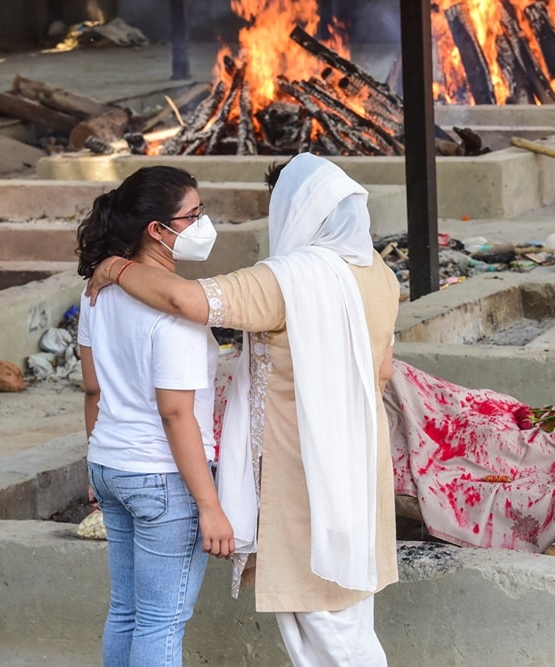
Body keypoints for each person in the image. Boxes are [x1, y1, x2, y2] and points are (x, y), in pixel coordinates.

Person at [89, 153, 400, 666]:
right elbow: (383, 369)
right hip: (359, 460)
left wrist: (118, 267)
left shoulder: (288, 280)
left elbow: (188, 301)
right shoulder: (378, 274)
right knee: (345, 613)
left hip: (303, 472)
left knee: (322, 616)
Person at [75, 165, 235, 667]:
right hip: (163, 479)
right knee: (161, 622)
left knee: (126, 610)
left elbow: (92, 388)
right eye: (194, 214)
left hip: (111, 465)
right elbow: (174, 414)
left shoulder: (96, 292)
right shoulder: (177, 315)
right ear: (157, 229)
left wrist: (96, 460)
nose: (203, 223)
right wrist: (209, 504)